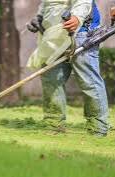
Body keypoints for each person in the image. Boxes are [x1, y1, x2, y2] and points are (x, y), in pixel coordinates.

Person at [27, 0, 109, 136]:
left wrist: (77, 17)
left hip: (81, 32)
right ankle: (53, 124)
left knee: (89, 81)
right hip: (52, 35)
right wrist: (39, 16)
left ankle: (98, 127)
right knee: (51, 79)